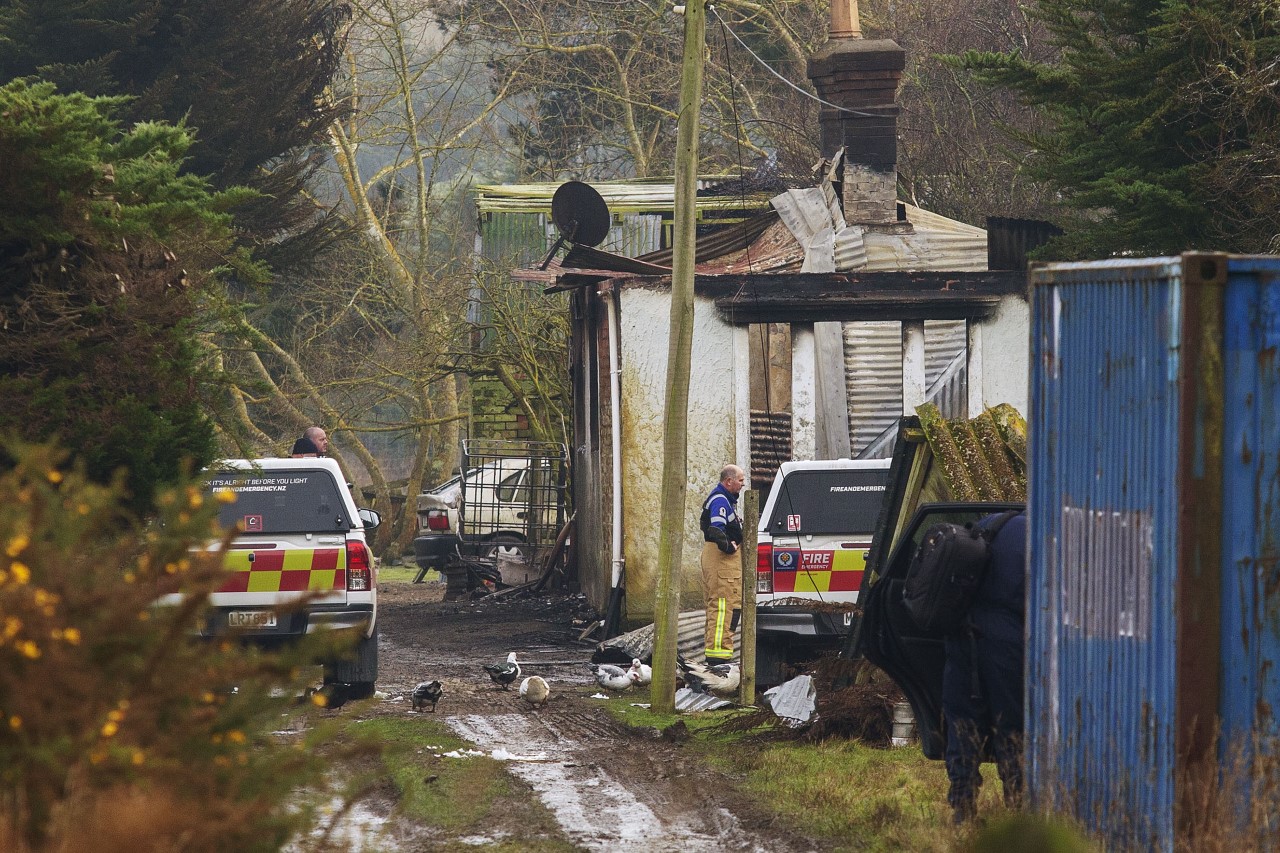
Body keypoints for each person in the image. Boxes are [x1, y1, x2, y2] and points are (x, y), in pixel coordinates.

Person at [942, 509, 1027, 824]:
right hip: (1005, 640)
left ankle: (962, 808)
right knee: (1012, 725)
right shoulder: (1041, 532)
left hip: (961, 633)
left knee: (963, 723)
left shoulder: (991, 523)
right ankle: (1018, 809)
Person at [699, 463, 746, 665]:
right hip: (722, 562)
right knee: (724, 608)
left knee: (722, 607)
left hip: (721, 562)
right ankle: (719, 662)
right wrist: (729, 547)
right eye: (741, 480)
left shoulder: (724, 500)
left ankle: (718, 657)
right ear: (729, 481)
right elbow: (716, 530)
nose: (743, 485)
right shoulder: (720, 500)